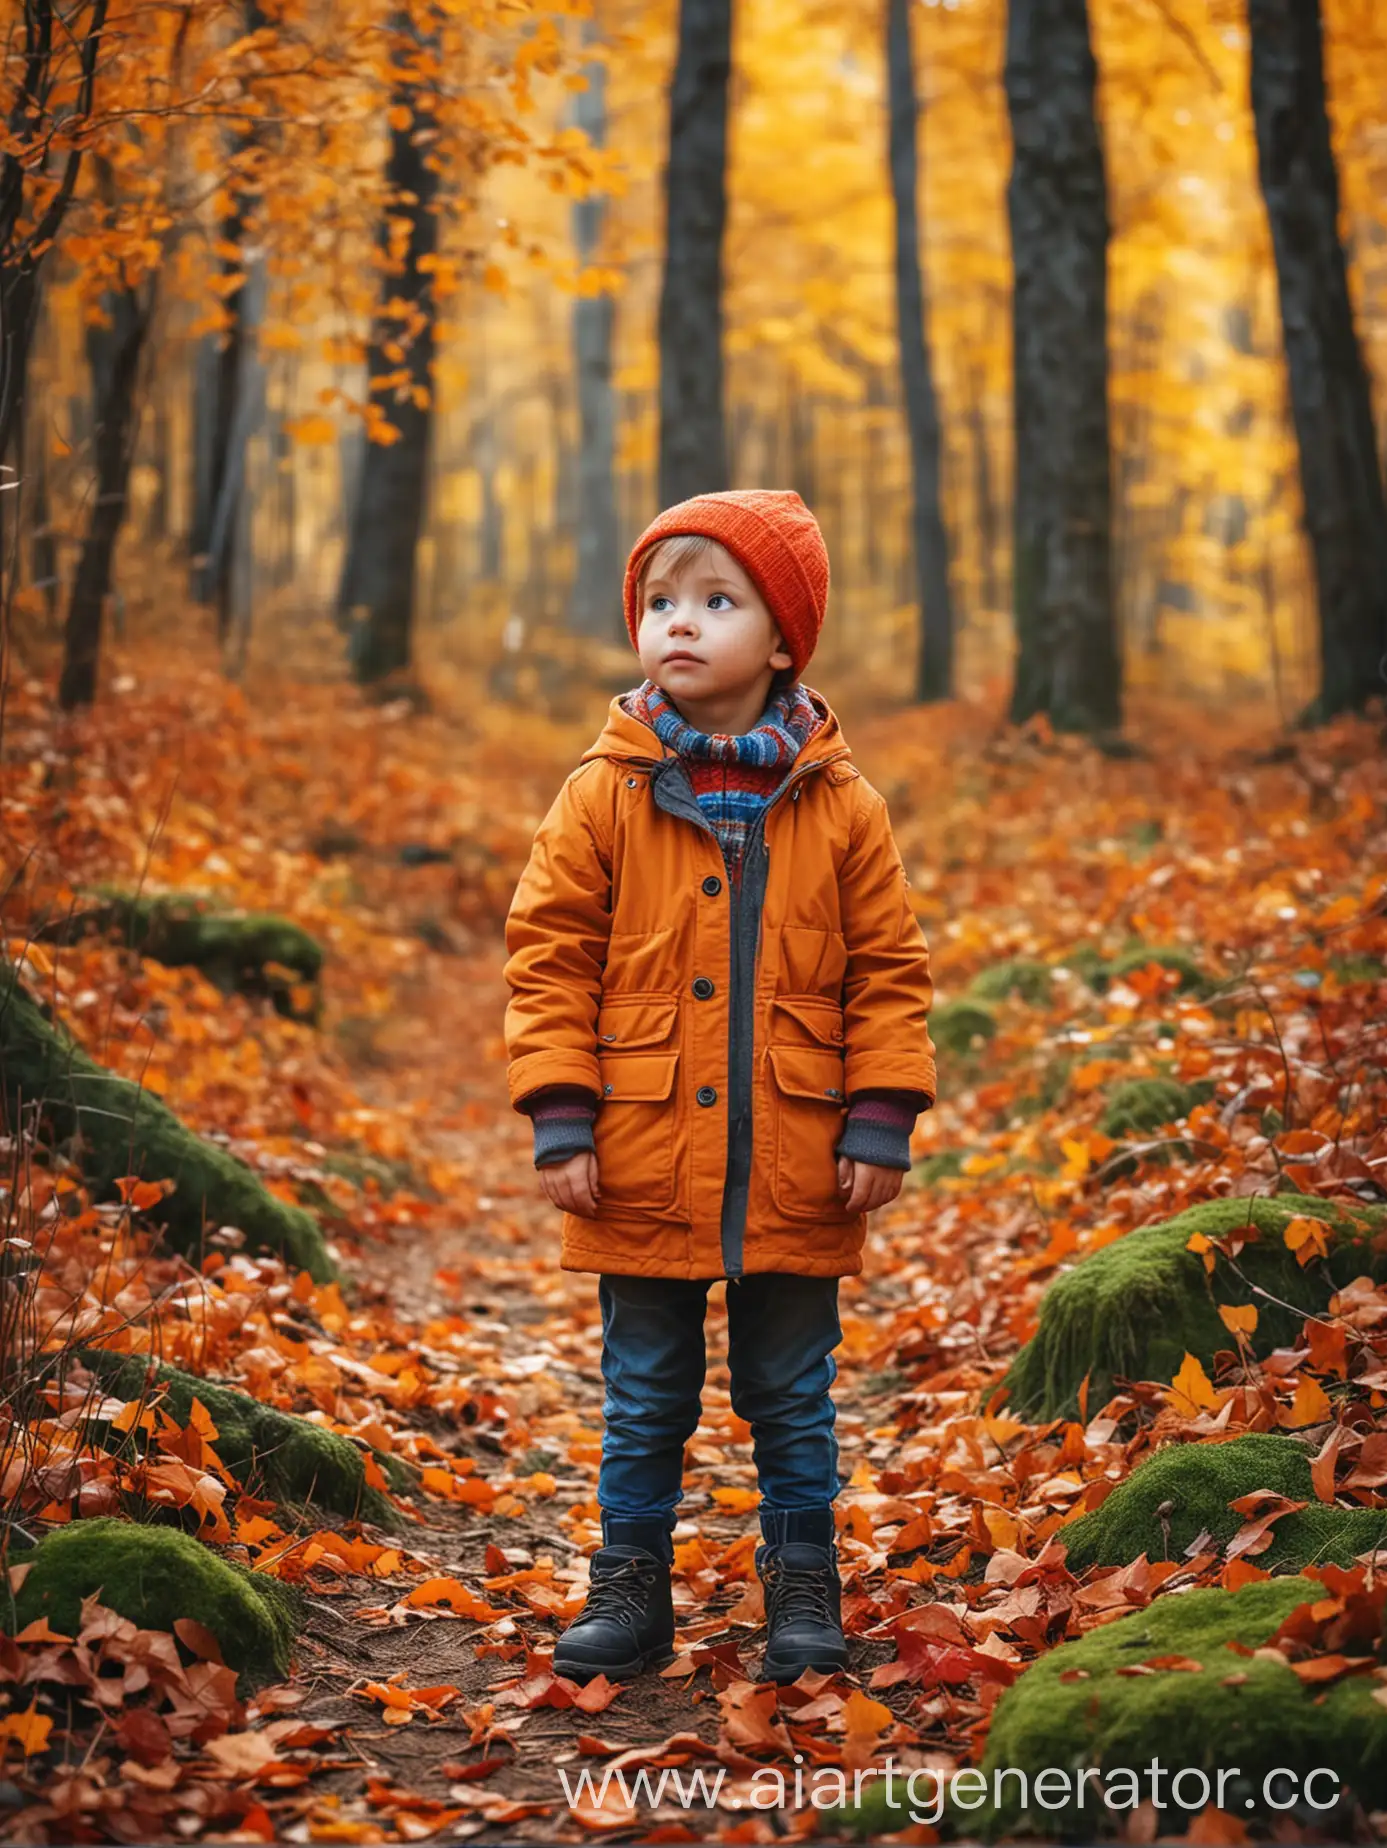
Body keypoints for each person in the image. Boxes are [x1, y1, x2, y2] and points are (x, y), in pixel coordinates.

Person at [502, 488, 936, 1685]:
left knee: (792, 1396)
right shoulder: (605, 791)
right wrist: (560, 1112)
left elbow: (890, 969)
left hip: (798, 1156)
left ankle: (803, 1588)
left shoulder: (842, 803)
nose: (677, 624)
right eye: (658, 602)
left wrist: (882, 1114)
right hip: (639, 1151)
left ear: (784, 639)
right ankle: (629, 1589)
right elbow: (548, 954)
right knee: (644, 1397)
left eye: (715, 600)